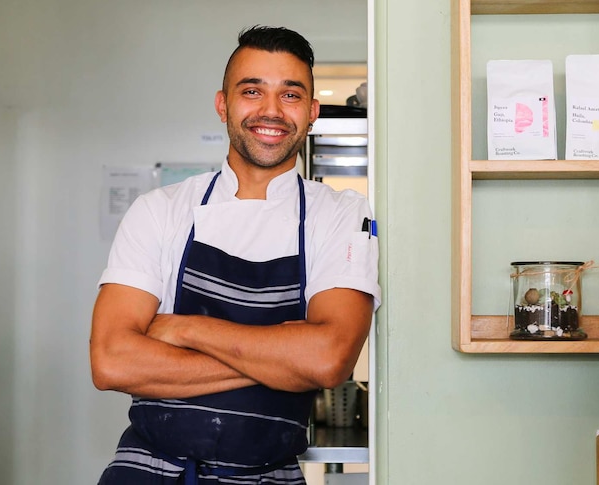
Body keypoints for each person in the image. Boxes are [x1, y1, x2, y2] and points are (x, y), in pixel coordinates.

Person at [90, 25, 381, 485]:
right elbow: (112, 361)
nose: (271, 111)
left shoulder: (341, 215)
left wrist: (182, 329)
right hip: (148, 471)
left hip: (270, 476)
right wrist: (280, 358)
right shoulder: (160, 211)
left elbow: (328, 360)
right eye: (251, 91)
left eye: (290, 95)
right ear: (223, 104)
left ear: (312, 112)